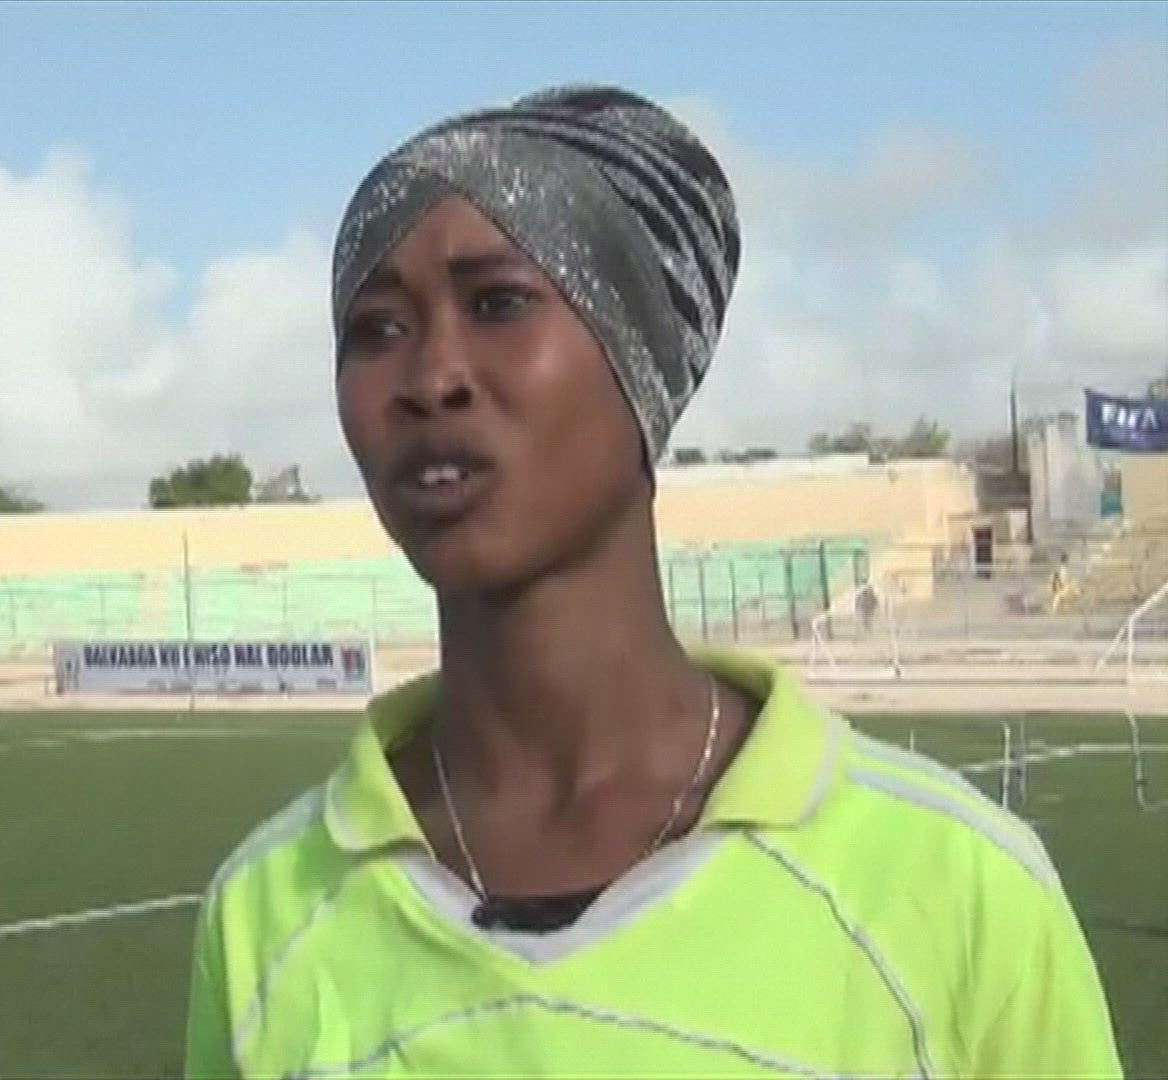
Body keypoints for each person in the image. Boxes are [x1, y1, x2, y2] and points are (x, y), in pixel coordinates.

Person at [184, 85, 1121, 1078]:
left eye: (499, 303)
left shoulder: (958, 886)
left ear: (641, 362)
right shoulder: (263, 912)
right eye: (376, 328)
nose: (429, 377)